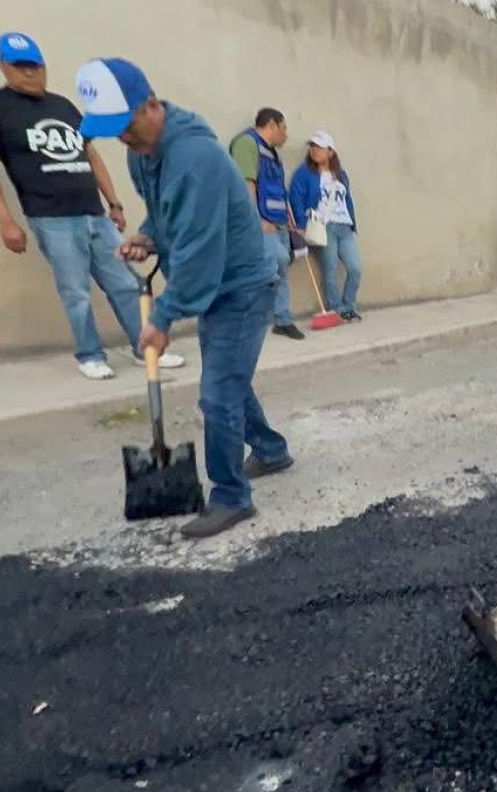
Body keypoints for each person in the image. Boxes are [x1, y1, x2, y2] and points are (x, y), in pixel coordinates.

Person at [77, 57, 291, 539]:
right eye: (112, 131)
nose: (122, 139)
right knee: (229, 379)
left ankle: (231, 496)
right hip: (216, 283)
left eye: (126, 125)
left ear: (151, 104)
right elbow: (165, 214)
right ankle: (272, 450)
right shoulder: (143, 153)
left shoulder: (196, 157)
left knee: (217, 396)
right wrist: (148, 237)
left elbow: (199, 253)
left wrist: (164, 316)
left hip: (242, 286)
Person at [0, 32, 183, 380]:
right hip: (51, 217)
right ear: (3, 66)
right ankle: (90, 354)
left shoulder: (63, 106)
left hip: (94, 213)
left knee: (127, 283)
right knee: (76, 292)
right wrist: (5, 220)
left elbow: (91, 155)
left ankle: (146, 348)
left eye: (35, 66)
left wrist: (113, 203)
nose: (29, 74)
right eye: (20, 67)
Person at [228, 107, 301, 339]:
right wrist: (256, 220)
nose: (286, 134)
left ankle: (283, 319)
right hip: (262, 222)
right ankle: (249, 319)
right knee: (275, 262)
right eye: (284, 128)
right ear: (271, 125)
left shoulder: (271, 153)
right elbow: (246, 184)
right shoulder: (247, 144)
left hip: (278, 222)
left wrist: (288, 218)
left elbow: (277, 188)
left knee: (281, 267)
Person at [287, 131, 363, 322]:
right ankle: (336, 309)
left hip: (344, 226)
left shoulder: (340, 174)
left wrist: (352, 222)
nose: (314, 150)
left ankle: (349, 305)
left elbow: (347, 199)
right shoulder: (304, 173)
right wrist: (301, 226)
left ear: (330, 152)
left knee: (355, 268)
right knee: (329, 269)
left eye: (319, 147)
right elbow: (296, 199)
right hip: (322, 227)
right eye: (312, 146)